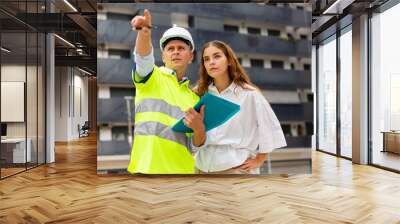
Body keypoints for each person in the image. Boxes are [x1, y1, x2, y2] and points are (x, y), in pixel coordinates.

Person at [183, 40, 287, 174]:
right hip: (201, 168)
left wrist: (260, 159)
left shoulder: (249, 94)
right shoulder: (200, 94)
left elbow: (270, 127)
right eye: (206, 59)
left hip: (235, 168)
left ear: (229, 61)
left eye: (217, 56)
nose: (211, 62)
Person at [127, 9, 202, 174]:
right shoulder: (151, 77)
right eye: (170, 48)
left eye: (181, 48)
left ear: (191, 56)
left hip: (183, 173)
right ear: (163, 56)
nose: (175, 51)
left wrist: (199, 129)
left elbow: (195, 146)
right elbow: (143, 57)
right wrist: (144, 33)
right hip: (147, 170)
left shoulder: (195, 99)